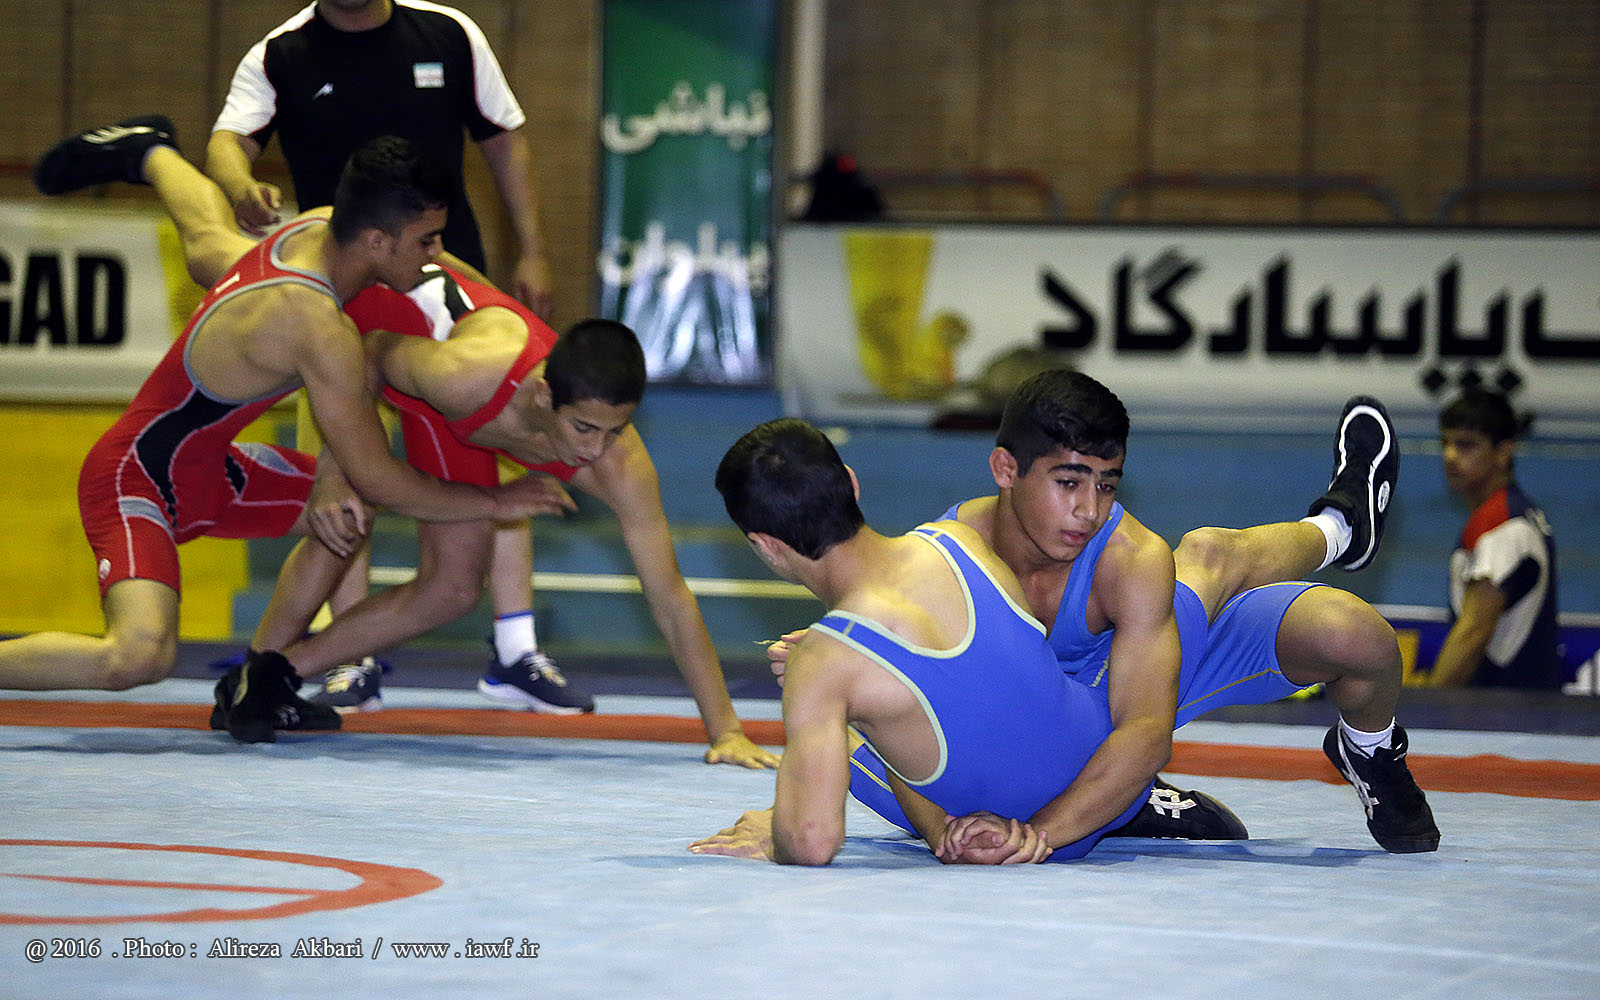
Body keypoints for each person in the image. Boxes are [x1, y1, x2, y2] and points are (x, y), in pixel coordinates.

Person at [4, 119, 570, 716]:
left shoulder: (320, 229)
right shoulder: (315, 326)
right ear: (376, 241)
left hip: (217, 473)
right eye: (428, 240)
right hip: (135, 478)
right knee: (138, 657)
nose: (437, 256)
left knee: (212, 251)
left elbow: (444, 279)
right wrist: (493, 502)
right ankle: (152, 154)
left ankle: (260, 680)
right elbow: (378, 476)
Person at [772, 372, 1440, 856]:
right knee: (1205, 556)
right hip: (1024, 743)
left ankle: (1370, 749)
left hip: (1129, 688)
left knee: (1356, 637)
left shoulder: (1126, 558)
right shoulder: (944, 558)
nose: (1089, 511)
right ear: (1005, 469)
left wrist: (1040, 837)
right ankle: (1129, 802)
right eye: (1068, 482)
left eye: (1107, 484)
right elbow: (892, 717)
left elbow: (1145, 730)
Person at [214, 261, 779, 764]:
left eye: (615, 431)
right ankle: (259, 668)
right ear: (544, 396)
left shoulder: (621, 465)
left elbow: (670, 597)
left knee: (453, 590)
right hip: (384, 346)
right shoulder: (466, 373)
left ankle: (266, 678)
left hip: (454, 408)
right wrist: (336, 475)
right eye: (583, 428)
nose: (594, 450)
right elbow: (371, 353)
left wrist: (726, 730)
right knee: (344, 513)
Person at [207, 0, 559, 700]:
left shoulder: (449, 33)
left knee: (491, 450)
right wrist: (238, 183)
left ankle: (516, 650)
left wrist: (535, 248)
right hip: (339, 298)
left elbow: (504, 141)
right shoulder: (281, 53)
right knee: (344, 472)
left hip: (448, 283)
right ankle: (350, 656)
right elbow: (226, 140)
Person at [689, 419, 1139, 865]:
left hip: (1013, 831)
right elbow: (992, 681)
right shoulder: (959, 539)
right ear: (851, 484)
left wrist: (778, 835)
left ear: (766, 545)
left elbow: (813, 843)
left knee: (841, 715)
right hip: (1111, 775)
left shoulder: (825, 662)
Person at [1428, 388, 1560, 688]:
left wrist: (1426, 707)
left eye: (1466, 445)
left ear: (1503, 452)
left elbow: (1473, 633)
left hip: (1506, 707)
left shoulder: (1502, 525)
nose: (1450, 456)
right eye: (1445, 443)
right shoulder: (1517, 513)